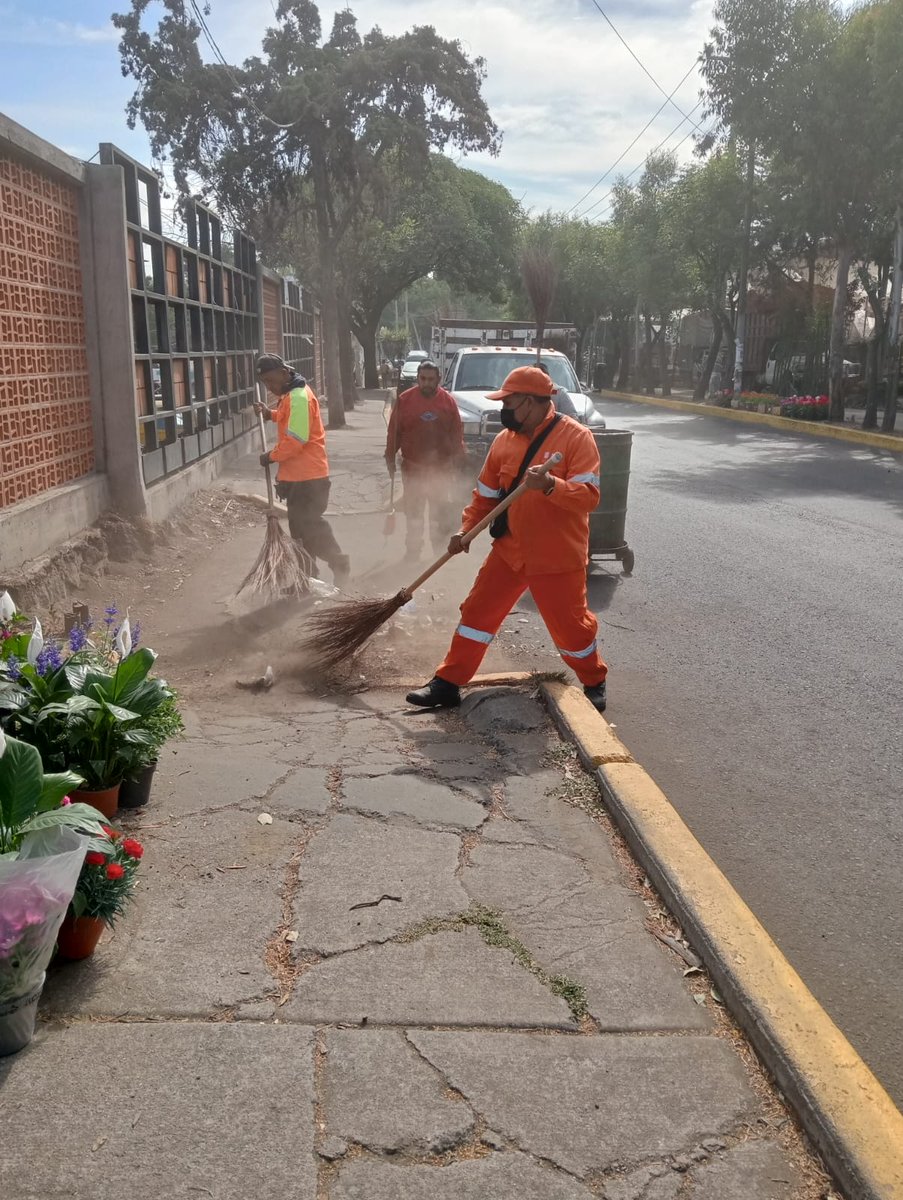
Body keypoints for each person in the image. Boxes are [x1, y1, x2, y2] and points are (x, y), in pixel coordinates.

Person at [406, 364, 609, 712]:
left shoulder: (576, 439)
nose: (504, 411)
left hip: (556, 555)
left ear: (531, 402)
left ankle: (594, 680)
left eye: (509, 403)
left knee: (571, 630)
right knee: (476, 614)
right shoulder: (504, 442)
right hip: (510, 550)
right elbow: (485, 494)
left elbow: (589, 496)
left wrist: (550, 485)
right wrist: (465, 529)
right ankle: (448, 682)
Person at [254, 353, 350, 586]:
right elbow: (291, 420)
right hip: (299, 477)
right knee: (300, 530)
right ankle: (306, 579)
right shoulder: (291, 395)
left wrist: (271, 456)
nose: (269, 386)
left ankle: (338, 563)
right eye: (264, 383)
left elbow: (296, 439)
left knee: (310, 527)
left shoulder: (298, 397)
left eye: (271, 380)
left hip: (309, 478)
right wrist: (271, 415)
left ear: (284, 373)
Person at [385, 360, 466, 561]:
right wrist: (389, 456)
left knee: (438, 515)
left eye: (431, 379)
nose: (426, 383)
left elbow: (457, 435)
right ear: (417, 379)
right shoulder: (404, 400)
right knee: (414, 514)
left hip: (441, 470)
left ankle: (439, 554)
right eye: (423, 379)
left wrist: (459, 461)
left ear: (438, 379)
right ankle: (413, 553)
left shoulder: (448, 402)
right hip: (413, 468)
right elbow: (393, 432)